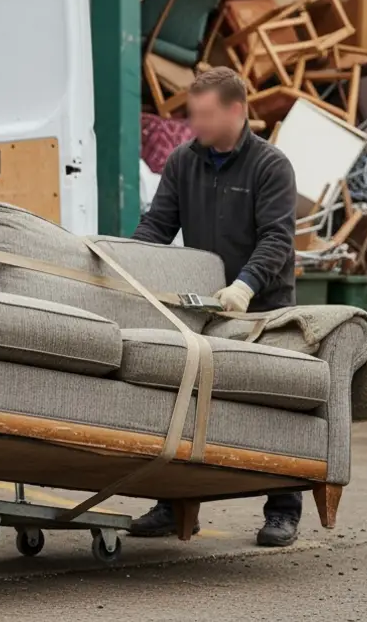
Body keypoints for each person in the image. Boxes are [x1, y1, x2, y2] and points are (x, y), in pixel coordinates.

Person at [128, 66, 302, 548]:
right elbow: (157, 226)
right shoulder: (185, 161)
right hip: (206, 307)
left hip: (261, 304)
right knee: (182, 403)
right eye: (191, 115)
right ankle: (173, 504)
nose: (194, 125)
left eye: (204, 115)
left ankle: (283, 509)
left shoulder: (271, 166)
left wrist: (245, 286)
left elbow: (276, 239)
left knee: (271, 407)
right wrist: (129, 264)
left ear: (236, 110)